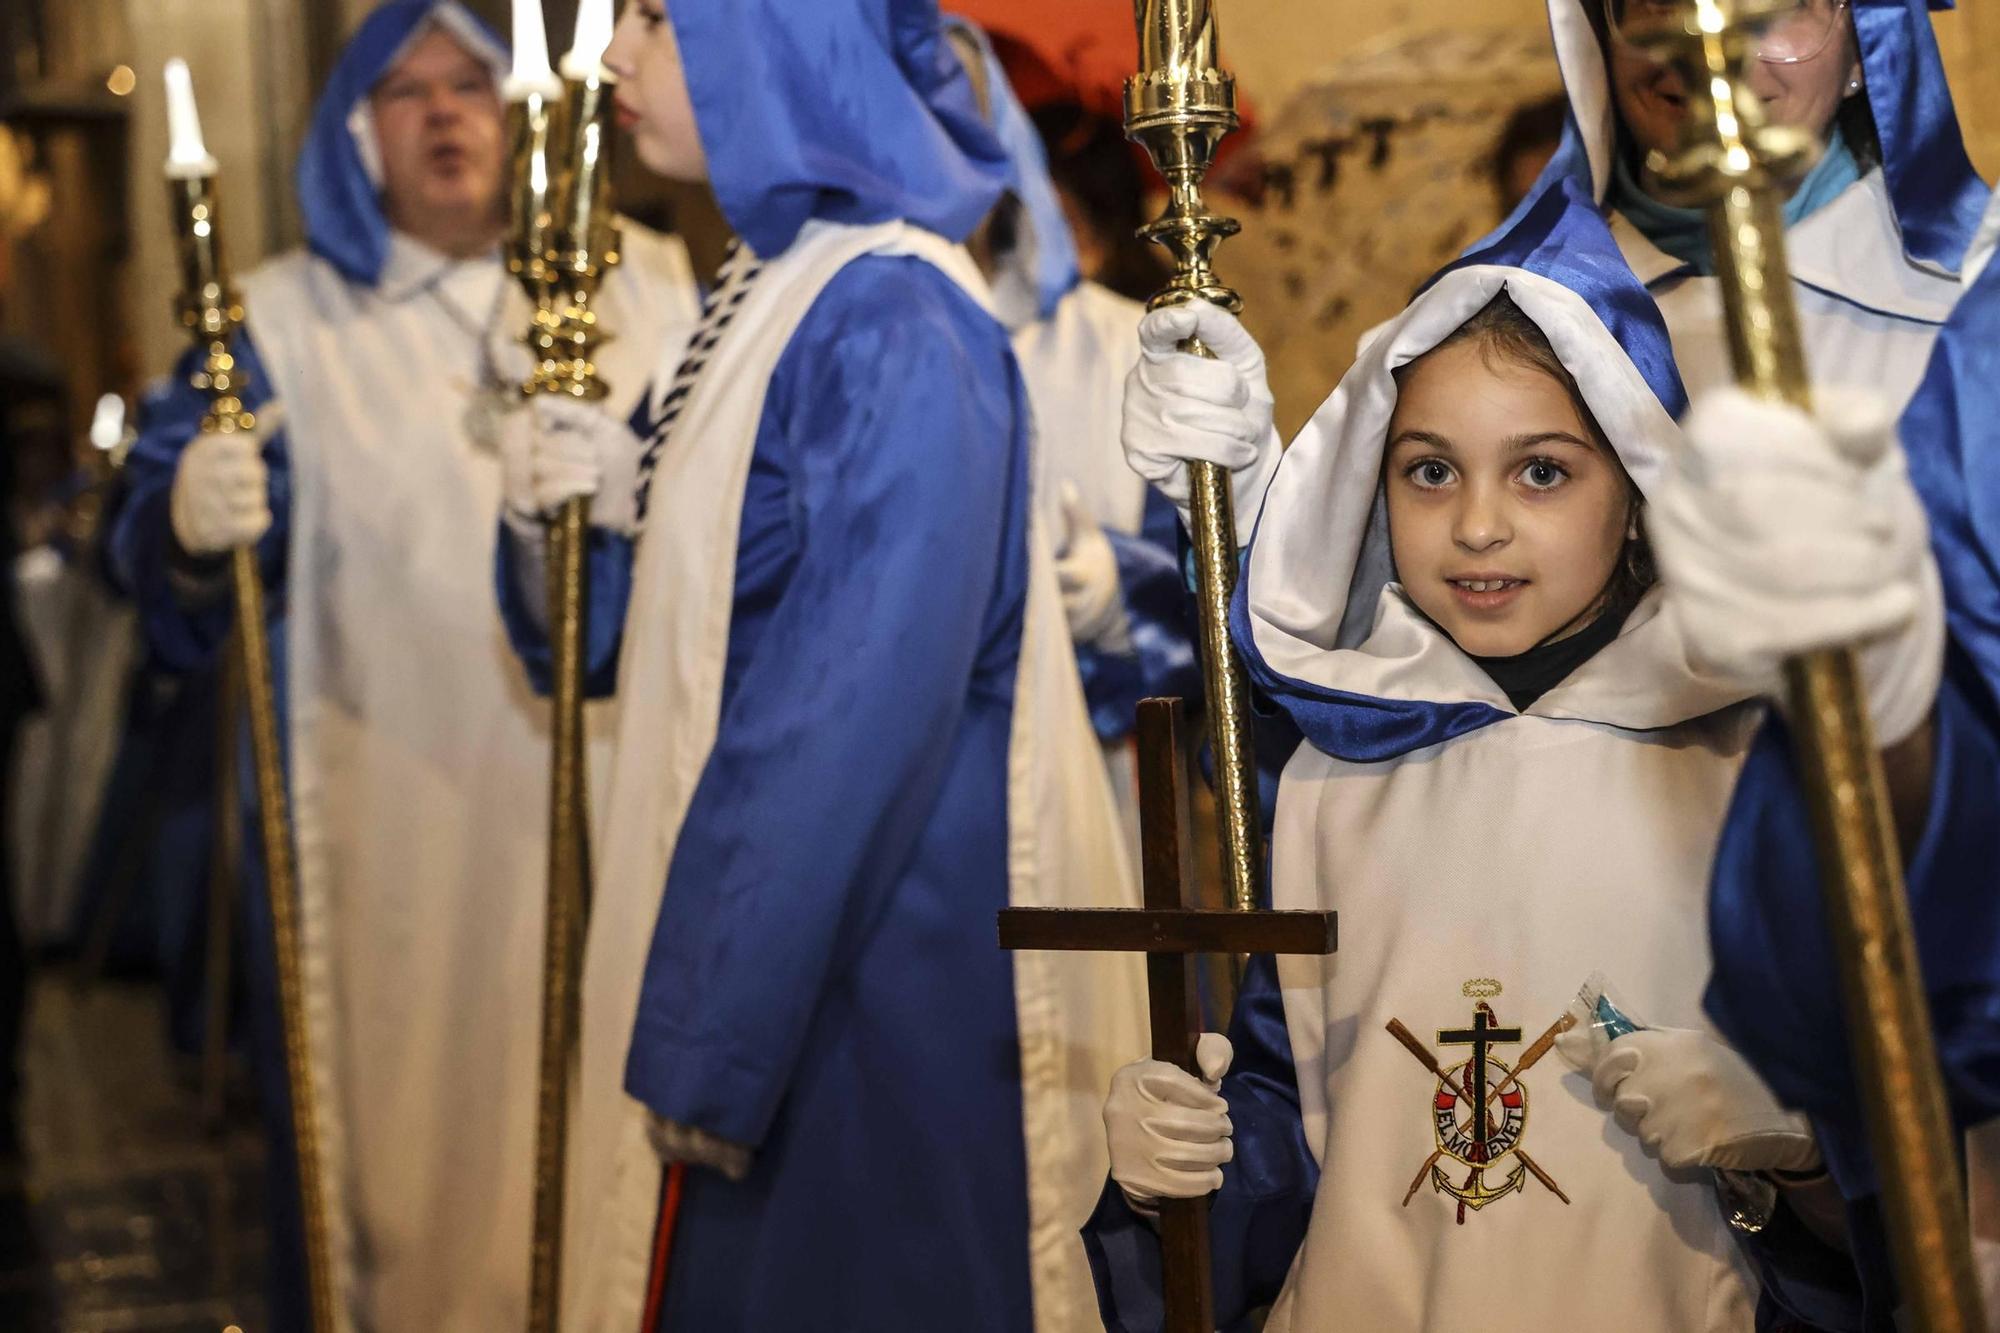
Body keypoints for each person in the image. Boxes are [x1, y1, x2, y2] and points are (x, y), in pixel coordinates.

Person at [1088, 184, 1996, 1329]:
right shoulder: (1337, 767)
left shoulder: (1749, 768)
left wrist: (1804, 1140)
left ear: (1636, 492)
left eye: (1540, 472)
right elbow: (1314, 1110)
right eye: (1428, 470)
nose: (1476, 525)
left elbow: (1914, 1217)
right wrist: (1177, 1162)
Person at [493, 1, 1147, 1329]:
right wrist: (568, 517)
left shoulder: (892, 315)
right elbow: (623, 644)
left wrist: (710, 1036)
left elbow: (849, 708)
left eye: (660, 18)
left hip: (855, 980)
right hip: (786, 952)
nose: (614, 53)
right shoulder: (775, 288)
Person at [107, 4, 698, 1327]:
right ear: (355, 134)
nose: (443, 114)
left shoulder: (651, 282)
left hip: (625, 806)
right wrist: (187, 529)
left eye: (472, 87)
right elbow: (155, 565)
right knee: (406, 1184)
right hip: (396, 842)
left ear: (526, 114)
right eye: (405, 92)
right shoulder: (275, 323)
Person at [946, 19, 1197, 858]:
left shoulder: (1136, 348)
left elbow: (1235, 577)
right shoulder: (875, 331)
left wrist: (1124, 592)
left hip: (1102, 778)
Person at [1499, 0, 1988, 408]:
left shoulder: (1974, 311)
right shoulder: (1507, 310)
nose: (1714, 57)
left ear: (1863, 46)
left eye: (1771, 2)